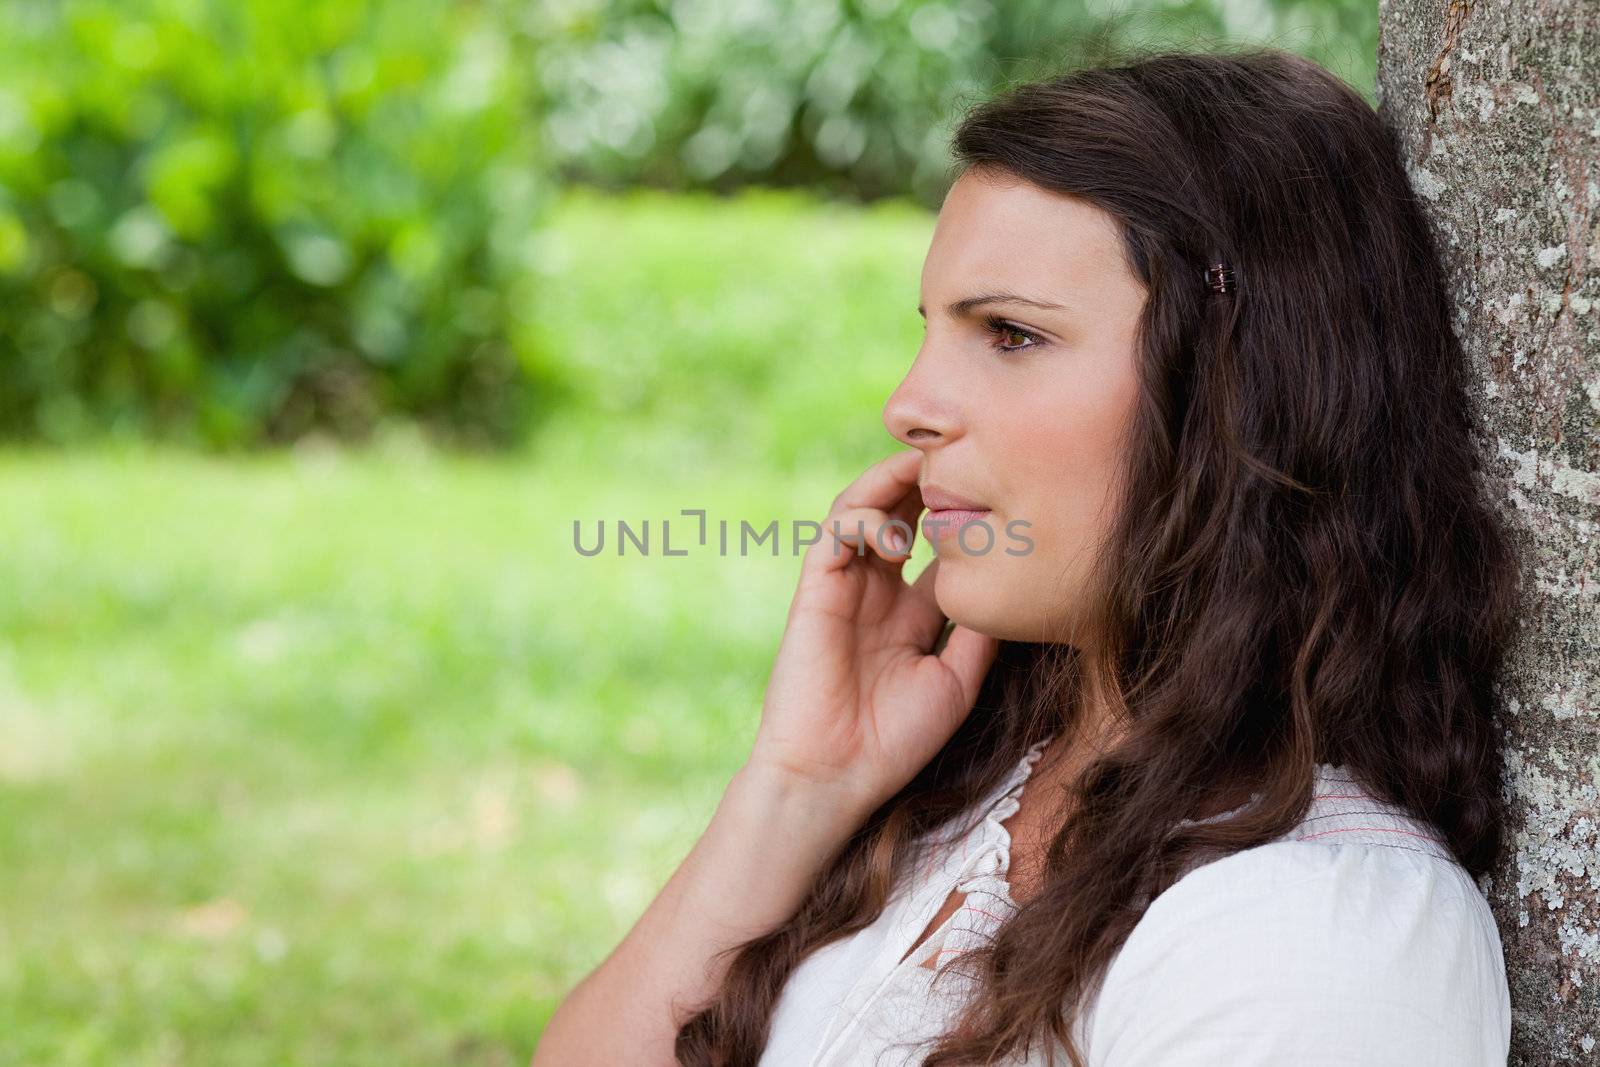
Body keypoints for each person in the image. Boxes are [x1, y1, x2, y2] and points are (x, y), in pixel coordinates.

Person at [533, 45, 1520, 1067]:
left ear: (1239, 394)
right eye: (932, 331)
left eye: (1008, 334)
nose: (908, 405)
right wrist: (798, 785)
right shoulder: (974, 777)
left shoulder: (1318, 935)